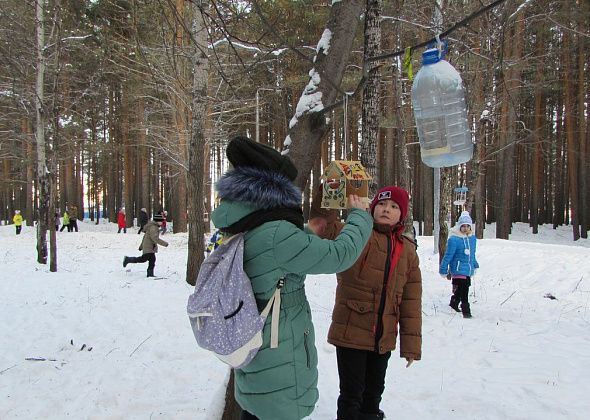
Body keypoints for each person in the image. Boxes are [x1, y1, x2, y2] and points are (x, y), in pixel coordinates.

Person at [209, 136, 373, 420]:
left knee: (256, 410)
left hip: (256, 347)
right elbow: (340, 255)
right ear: (277, 189)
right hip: (281, 355)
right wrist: (359, 215)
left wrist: (311, 229)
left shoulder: (242, 224)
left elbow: (275, 256)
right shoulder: (275, 234)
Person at [309, 185, 422, 420]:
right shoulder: (358, 234)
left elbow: (411, 301)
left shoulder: (408, 250)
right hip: (351, 332)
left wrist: (411, 345)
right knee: (351, 395)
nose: (386, 209)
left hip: (384, 338)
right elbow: (325, 228)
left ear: (402, 213)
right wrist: (328, 191)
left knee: (373, 395)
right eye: (381, 204)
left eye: (393, 206)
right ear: (371, 207)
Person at [439, 211, 479, 319]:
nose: (465, 228)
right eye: (463, 226)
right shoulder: (454, 239)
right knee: (464, 290)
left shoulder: (472, 240)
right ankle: (466, 311)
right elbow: (448, 255)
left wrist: (475, 264)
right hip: (457, 269)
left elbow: (472, 254)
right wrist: (443, 269)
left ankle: (454, 302)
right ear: (459, 226)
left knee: (463, 288)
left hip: (467, 269)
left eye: (468, 226)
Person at [123, 213, 168, 277]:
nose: (162, 222)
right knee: (143, 259)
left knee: (152, 260)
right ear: (157, 221)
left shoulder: (153, 227)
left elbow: (145, 237)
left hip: (150, 247)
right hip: (149, 247)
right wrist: (165, 243)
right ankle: (128, 259)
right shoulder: (153, 227)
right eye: (161, 221)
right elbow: (155, 238)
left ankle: (150, 274)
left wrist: (141, 246)